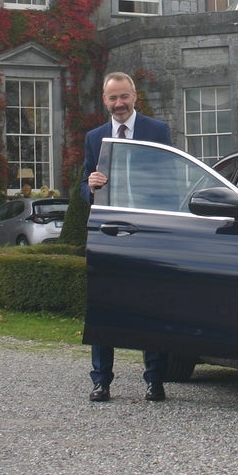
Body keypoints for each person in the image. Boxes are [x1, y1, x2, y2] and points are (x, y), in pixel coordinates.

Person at [80, 71, 172, 402]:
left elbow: (170, 178)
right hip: (109, 232)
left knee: (151, 306)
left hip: (148, 231)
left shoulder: (157, 131)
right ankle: (101, 381)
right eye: (112, 98)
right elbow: (81, 189)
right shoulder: (95, 137)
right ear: (105, 101)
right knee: (104, 306)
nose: (119, 104)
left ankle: (155, 380)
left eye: (124, 97)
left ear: (135, 97)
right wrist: (90, 186)